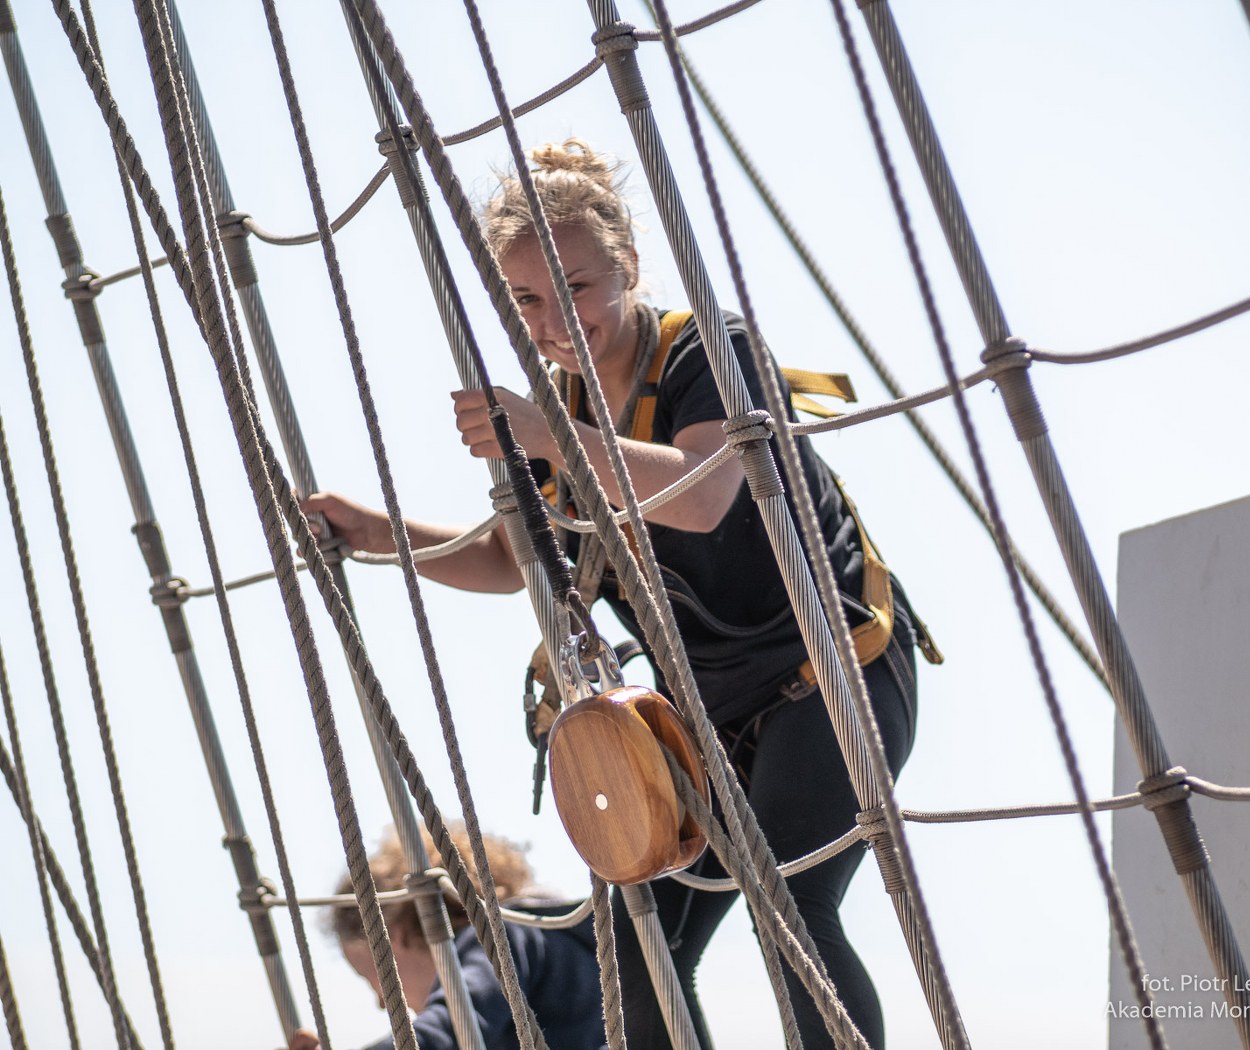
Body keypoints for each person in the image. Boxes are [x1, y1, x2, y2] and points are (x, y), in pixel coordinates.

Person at [303, 139, 931, 1050]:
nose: (554, 320)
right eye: (525, 299)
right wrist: (380, 534)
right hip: (706, 712)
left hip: (832, 670)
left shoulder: (708, 350)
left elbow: (703, 492)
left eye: (576, 287)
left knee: (790, 906)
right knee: (635, 945)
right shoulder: (553, 412)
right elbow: (509, 559)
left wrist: (544, 434)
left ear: (628, 266)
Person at [286, 826, 605, 1050]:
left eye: (369, 977)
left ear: (393, 936)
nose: (382, 1003)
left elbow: (455, 1027)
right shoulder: (560, 946)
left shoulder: (501, 939)